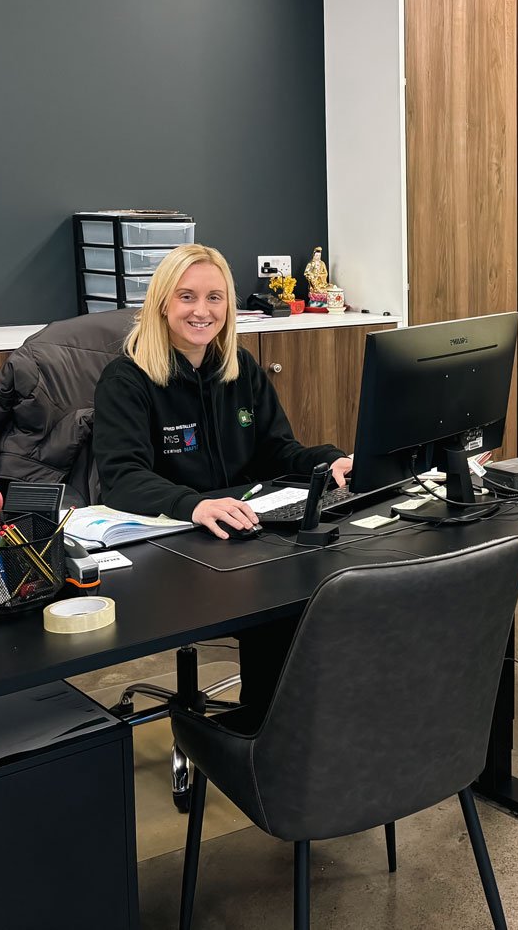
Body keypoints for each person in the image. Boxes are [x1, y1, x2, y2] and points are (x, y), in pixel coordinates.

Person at [93, 243, 353, 701]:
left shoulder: (240, 369)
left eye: (215, 297)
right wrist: (193, 504)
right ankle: (262, 744)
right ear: (162, 303)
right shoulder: (126, 380)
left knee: (328, 587)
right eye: (187, 296)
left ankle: (318, 731)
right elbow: (123, 477)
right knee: (282, 612)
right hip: (174, 541)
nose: (202, 311)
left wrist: (330, 460)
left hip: (244, 531)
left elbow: (278, 450)